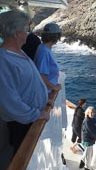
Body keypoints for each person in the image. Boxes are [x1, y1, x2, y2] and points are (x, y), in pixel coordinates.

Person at [0, 9, 49, 153]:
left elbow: (27, 84)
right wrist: (36, 114)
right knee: (23, 159)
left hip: (29, 118)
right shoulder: (3, 61)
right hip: (22, 123)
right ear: (17, 33)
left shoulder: (19, 53)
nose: (28, 33)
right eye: (26, 29)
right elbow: (9, 102)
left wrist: (44, 100)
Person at [34, 22, 62, 93]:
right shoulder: (44, 52)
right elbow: (41, 76)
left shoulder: (43, 47)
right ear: (56, 37)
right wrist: (54, 87)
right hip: (45, 94)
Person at [79, 106, 96, 170]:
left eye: (93, 112)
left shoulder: (92, 119)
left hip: (89, 139)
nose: (93, 114)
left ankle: (82, 161)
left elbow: (94, 128)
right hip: (87, 140)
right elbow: (92, 131)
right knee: (89, 155)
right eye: (91, 112)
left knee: (87, 152)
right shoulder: (87, 121)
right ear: (88, 113)